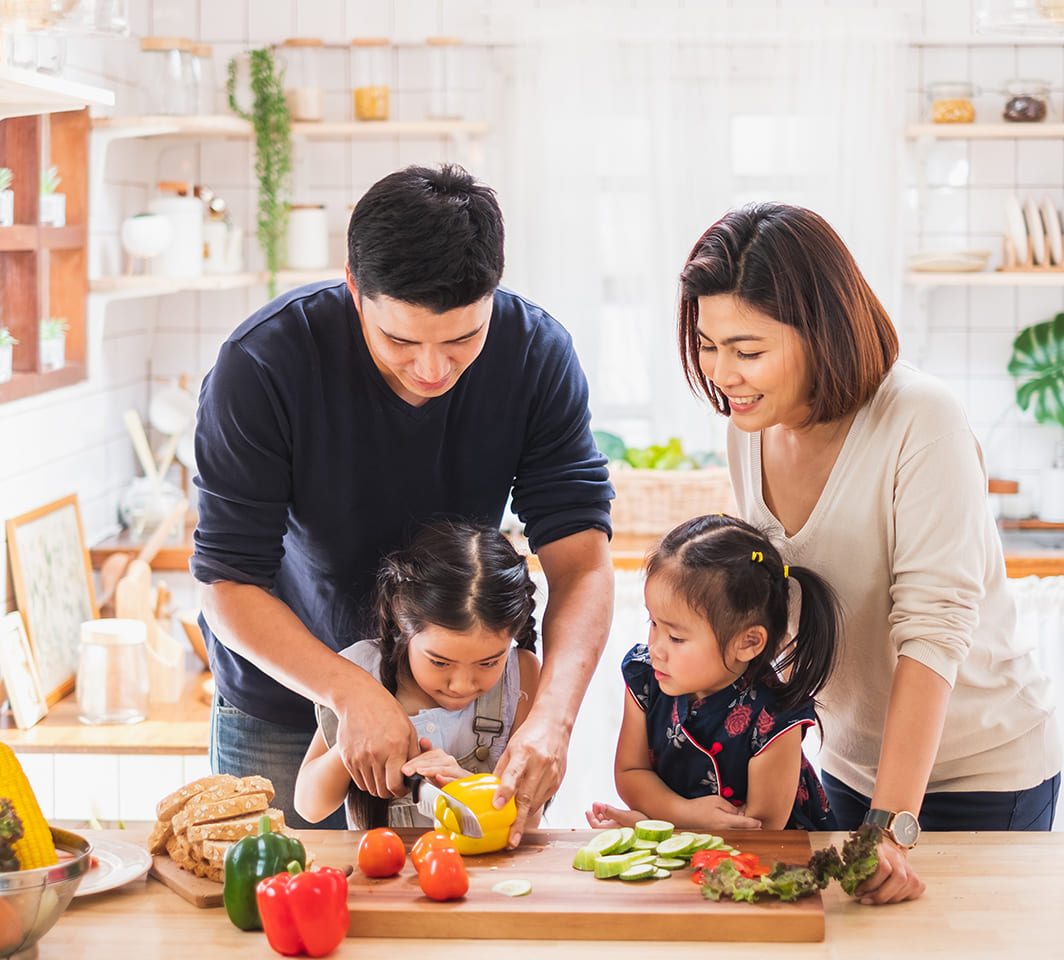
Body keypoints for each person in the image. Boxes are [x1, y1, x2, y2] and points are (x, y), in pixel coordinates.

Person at [190, 164, 615, 839]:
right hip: (285, 694)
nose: (431, 370)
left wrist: (552, 716)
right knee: (262, 915)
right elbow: (227, 582)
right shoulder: (264, 365)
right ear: (355, 287)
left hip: (461, 689)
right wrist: (351, 690)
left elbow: (582, 564)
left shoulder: (535, 355)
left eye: (461, 340)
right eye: (400, 340)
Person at [676, 201, 1062, 904]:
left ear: (819, 333)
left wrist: (890, 825)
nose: (724, 373)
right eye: (708, 344)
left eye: (749, 349)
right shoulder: (748, 426)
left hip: (978, 773)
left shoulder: (921, 418)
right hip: (850, 765)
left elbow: (933, 630)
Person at [586, 514, 839, 833]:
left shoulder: (775, 715)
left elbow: (759, 828)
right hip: (687, 844)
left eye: (676, 638)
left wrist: (660, 822)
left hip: (769, 859)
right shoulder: (645, 677)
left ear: (748, 642)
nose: (656, 648)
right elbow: (631, 772)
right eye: (653, 623)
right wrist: (681, 815)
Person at [295, 520, 542, 829]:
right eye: (440, 663)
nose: (461, 685)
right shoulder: (361, 671)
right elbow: (309, 806)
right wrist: (355, 746)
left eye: (489, 663)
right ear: (403, 622)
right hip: (380, 872)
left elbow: (529, 822)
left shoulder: (522, 675)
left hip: (486, 875)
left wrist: (468, 789)